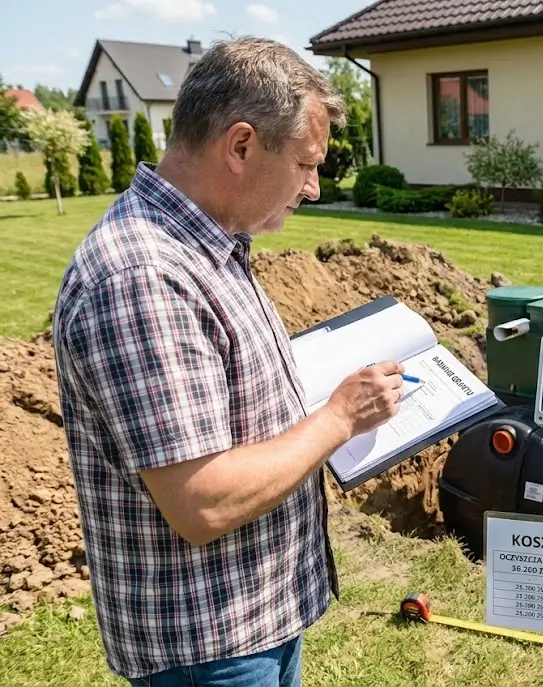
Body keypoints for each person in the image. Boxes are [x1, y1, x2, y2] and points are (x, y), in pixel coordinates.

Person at [51, 37, 406, 686]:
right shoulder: (144, 277)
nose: (315, 187)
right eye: (304, 163)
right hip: (207, 644)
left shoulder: (207, 246)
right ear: (241, 146)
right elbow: (201, 501)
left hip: (247, 620)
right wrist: (336, 419)